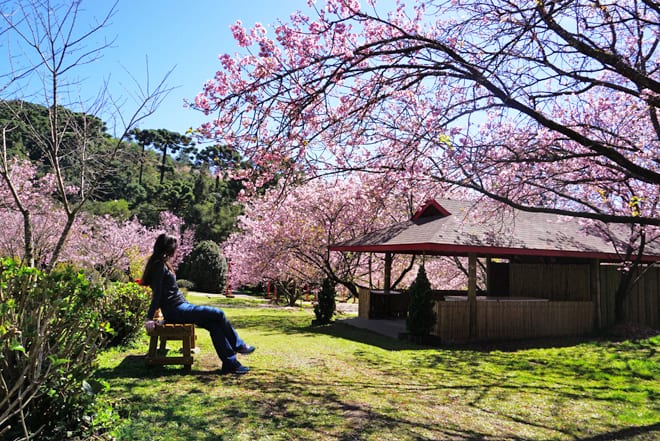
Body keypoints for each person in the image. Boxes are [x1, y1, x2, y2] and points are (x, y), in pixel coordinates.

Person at [141, 233, 254, 375]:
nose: (176, 251)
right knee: (218, 313)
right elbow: (157, 294)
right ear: (168, 248)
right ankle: (239, 345)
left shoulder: (161, 264)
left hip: (181, 307)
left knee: (214, 325)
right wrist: (149, 318)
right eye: (175, 247)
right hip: (176, 311)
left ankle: (231, 364)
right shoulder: (159, 266)